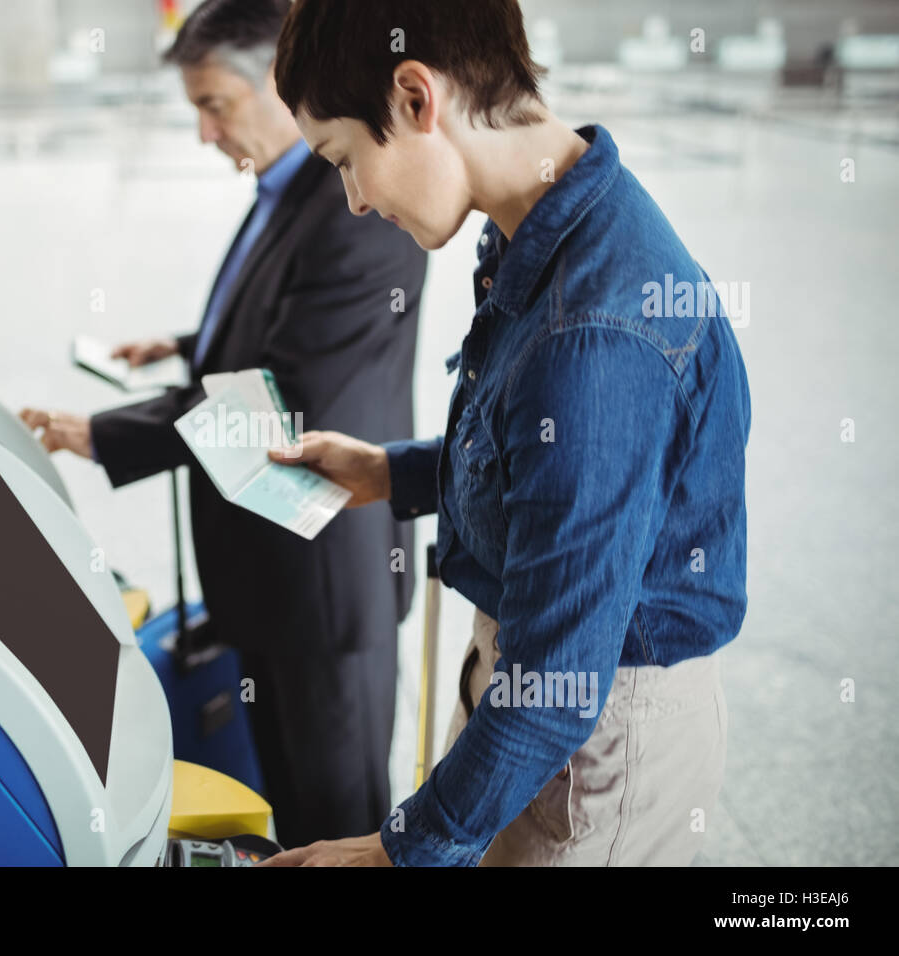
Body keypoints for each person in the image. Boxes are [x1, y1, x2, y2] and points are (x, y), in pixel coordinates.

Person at [259, 0, 750, 866]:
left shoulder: (593, 332)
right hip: (541, 696)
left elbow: (557, 688)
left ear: (417, 98)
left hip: (586, 741)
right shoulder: (546, 217)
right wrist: (390, 473)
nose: (356, 201)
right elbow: (535, 460)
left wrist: (386, 852)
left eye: (345, 160)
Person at [19, 0, 428, 848]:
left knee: (340, 825)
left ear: (279, 83)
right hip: (271, 577)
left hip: (324, 585)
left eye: (215, 105)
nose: (206, 134)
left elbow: (278, 395)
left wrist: (101, 433)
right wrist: (181, 344)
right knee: (288, 807)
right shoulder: (287, 187)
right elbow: (277, 321)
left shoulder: (354, 206)